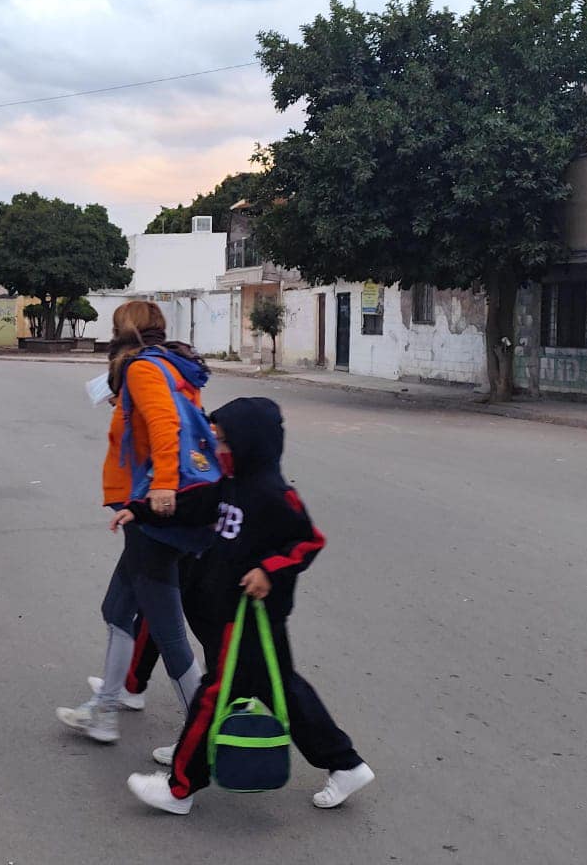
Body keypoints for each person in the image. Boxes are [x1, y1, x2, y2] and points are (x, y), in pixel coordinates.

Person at [127, 397, 373, 815]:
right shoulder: (230, 484)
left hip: (250, 616)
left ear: (250, 443)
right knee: (284, 692)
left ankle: (180, 788)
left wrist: (267, 571)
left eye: (224, 442)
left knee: (215, 693)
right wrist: (140, 511)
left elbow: (308, 542)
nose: (217, 449)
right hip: (236, 613)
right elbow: (192, 508)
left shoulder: (274, 494)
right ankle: (345, 763)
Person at [56, 302, 219, 745]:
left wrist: (163, 485)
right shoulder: (171, 366)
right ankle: (106, 708)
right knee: (116, 610)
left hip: (151, 510)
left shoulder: (143, 369)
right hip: (149, 509)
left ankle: (201, 738)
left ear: (125, 328)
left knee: (167, 632)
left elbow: (167, 428)